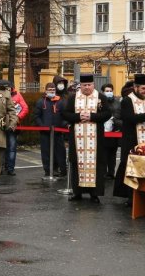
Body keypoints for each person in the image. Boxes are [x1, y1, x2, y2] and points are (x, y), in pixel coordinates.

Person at [113, 74, 145, 206]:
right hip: (132, 141)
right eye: (143, 89)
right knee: (132, 170)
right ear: (135, 87)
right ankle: (132, 198)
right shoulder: (127, 100)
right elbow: (130, 118)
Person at [62, 74, 110, 203]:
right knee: (77, 164)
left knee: (97, 165)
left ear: (93, 85)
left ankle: (95, 194)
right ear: (80, 86)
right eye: (84, 85)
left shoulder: (101, 97)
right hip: (77, 139)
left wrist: (91, 117)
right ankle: (77, 192)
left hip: (96, 139)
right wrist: (78, 117)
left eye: (89, 85)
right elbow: (65, 113)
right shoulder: (73, 98)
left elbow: (107, 113)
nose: (87, 87)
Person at [33, 80, 68, 178]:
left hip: (58, 132)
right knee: (46, 152)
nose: (51, 91)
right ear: (46, 90)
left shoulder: (60, 101)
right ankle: (48, 171)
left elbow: (65, 116)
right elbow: (36, 116)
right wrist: (42, 126)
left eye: (53, 89)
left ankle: (62, 169)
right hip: (45, 132)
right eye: (49, 89)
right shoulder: (41, 102)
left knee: (60, 152)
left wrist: (63, 125)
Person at [3, 80, 28, 176]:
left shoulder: (17, 96)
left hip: (13, 126)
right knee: (1, 148)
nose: (7, 89)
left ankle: (10, 168)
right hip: (0, 125)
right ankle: (1, 167)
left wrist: (18, 118)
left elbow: (25, 108)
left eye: (8, 87)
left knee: (12, 148)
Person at [100, 82, 122, 182]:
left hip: (114, 131)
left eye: (110, 91)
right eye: (107, 91)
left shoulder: (117, 102)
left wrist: (115, 120)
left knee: (112, 154)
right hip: (102, 131)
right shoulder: (99, 102)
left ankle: (111, 173)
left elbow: (121, 115)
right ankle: (103, 173)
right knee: (103, 153)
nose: (109, 93)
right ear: (103, 92)